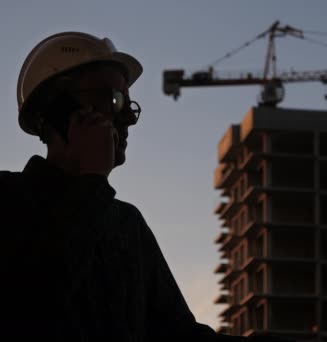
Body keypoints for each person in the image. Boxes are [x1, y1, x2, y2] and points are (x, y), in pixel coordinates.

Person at [0, 32, 285, 342]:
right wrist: (92, 182)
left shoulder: (126, 226)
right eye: (112, 100)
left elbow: (180, 336)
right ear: (58, 111)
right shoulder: (8, 198)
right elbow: (32, 303)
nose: (128, 119)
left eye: (129, 104)